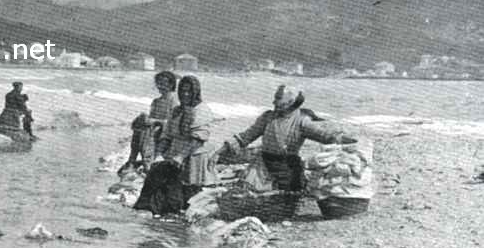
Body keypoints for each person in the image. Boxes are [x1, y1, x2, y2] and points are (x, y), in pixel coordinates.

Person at [221, 85, 356, 192]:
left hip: (287, 165)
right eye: (275, 100)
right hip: (263, 163)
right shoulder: (268, 117)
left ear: (291, 103)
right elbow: (247, 136)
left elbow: (325, 135)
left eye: (279, 102)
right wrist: (225, 148)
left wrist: (345, 139)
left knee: (288, 193)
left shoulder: (301, 121)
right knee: (249, 190)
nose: (274, 104)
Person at [133, 75, 215, 214]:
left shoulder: (202, 110)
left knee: (190, 193)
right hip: (174, 153)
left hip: (193, 156)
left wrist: (181, 156)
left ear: (196, 92)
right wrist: (158, 154)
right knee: (167, 188)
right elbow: (167, 135)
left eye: (189, 91)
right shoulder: (177, 110)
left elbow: (198, 138)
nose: (185, 94)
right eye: (182, 91)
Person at [125, 71, 178, 172]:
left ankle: (146, 163)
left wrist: (154, 121)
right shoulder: (156, 101)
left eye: (163, 83)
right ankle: (133, 160)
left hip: (168, 133)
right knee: (139, 126)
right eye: (158, 83)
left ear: (171, 84)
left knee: (146, 131)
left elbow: (174, 123)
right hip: (157, 130)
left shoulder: (174, 101)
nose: (160, 86)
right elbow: (152, 119)